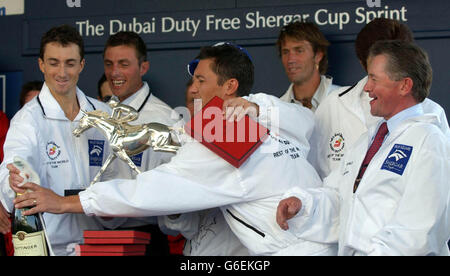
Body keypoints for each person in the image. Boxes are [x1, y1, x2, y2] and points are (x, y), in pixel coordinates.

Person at [11, 42, 337, 256]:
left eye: (201, 80)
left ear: (230, 87)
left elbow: (149, 191)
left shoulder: (231, 130)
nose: (192, 88)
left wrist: (67, 203)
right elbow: (305, 121)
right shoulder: (272, 117)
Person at [276, 40, 450, 256]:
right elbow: (340, 197)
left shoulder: (428, 140)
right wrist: (304, 205)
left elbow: (421, 229)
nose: (366, 87)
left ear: (405, 86)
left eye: (374, 79)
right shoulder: (367, 141)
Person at [0, 25, 118, 256]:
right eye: (54, 63)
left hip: (104, 245)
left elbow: (121, 177)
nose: (62, 72)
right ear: (41, 64)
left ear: (82, 65)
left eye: (70, 63)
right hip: (52, 249)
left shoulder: (104, 115)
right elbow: (11, 170)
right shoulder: (28, 120)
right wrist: (14, 182)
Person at [308, 18, 450, 179]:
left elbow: (441, 184)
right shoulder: (333, 105)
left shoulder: (432, 114)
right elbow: (316, 176)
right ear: (365, 62)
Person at [101, 31, 179, 255]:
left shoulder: (166, 119)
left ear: (143, 68)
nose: (114, 72)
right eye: (109, 64)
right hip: (99, 236)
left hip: (147, 238)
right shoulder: (101, 113)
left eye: (124, 64)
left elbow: (175, 189)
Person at [277, 21, 340, 111]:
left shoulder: (343, 100)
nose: (290, 59)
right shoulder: (277, 108)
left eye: (299, 51)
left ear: (318, 55)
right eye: (285, 52)